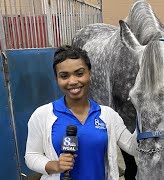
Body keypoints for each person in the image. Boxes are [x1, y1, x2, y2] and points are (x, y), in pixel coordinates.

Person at [25, 45, 137, 180]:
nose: (72, 81)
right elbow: (31, 155)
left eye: (79, 73)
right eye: (64, 76)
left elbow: (133, 148)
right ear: (57, 79)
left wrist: (145, 115)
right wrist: (55, 165)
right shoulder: (42, 115)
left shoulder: (108, 115)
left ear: (90, 73)